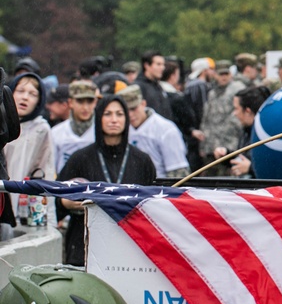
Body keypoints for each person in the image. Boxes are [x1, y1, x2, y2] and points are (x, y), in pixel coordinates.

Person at [58, 94, 156, 266]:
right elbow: (55, 202)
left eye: (119, 114)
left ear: (126, 119)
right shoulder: (80, 158)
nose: (114, 120)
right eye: (107, 114)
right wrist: (64, 203)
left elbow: (153, 206)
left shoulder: (142, 161)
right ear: (99, 118)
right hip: (86, 246)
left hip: (130, 248)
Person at [1, 72, 55, 238]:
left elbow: (46, 170)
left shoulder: (41, 130)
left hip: (23, 204)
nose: (25, 98)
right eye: (21, 91)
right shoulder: (3, 125)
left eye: (32, 94)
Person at [119, 84, 189, 179]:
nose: (130, 115)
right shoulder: (121, 128)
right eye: (125, 111)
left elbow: (179, 172)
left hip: (159, 186)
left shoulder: (166, 129)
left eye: (133, 108)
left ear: (143, 104)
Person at [213, 85, 271, 177]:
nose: (234, 113)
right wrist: (226, 155)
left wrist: (251, 168)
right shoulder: (246, 131)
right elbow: (244, 159)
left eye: (236, 109)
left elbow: (274, 168)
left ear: (247, 111)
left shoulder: (268, 136)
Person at [199, 59, 243, 171]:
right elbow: (206, 118)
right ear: (215, 75)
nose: (224, 77)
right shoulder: (212, 93)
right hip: (212, 146)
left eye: (226, 74)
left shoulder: (237, 89)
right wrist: (204, 144)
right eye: (221, 74)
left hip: (230, 144)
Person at [50, 80, 99, 174]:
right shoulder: (56, 133)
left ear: (95, 102)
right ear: (70, 102)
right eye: (80, 101)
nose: (85, 107)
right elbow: (51, 169)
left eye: (90, 101)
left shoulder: (101, 132)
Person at [135, 50, 172, 121]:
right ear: (146, 65)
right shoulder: (138, 87)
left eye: (163, 64)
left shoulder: (158, 86)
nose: (162, 68)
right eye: (158, 64)